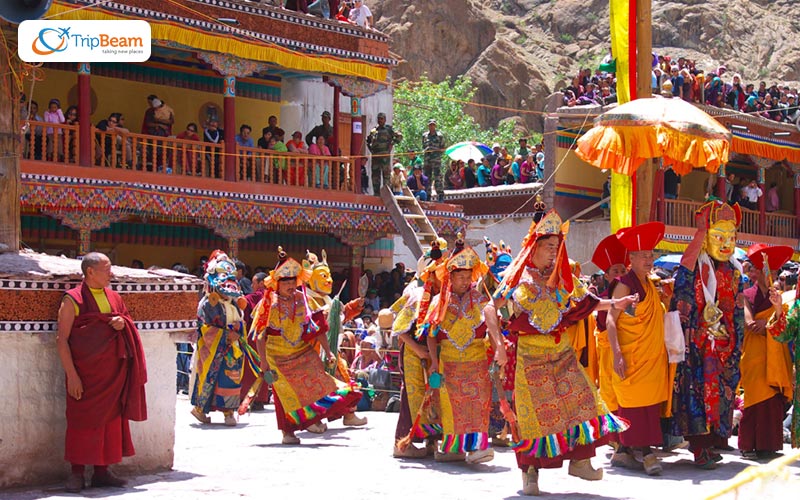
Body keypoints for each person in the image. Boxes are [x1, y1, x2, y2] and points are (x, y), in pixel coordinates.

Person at [485, 210, 635, 496]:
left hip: (562, 353)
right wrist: (499, 346)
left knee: (583, 401)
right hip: (529, 357)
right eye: (548, 246)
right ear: (534, 246)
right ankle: (530, 474)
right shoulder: (517, 277)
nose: (554, 252)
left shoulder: (562, 278)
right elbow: (490, 308)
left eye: (557, 246)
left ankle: (580, 461)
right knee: (532, 418)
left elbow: (587, 304)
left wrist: (618, 302)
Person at [251, 247, 365, 444]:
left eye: (292, 280)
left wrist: (329, 353)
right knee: (285, 394)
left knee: (323, 382)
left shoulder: (304, 299)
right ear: (276, 283)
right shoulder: (269, 302)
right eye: (285, 281)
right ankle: (288, 433)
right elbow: (260, 336)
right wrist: (263, 362)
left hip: (301, 351)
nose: (289, 284)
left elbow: (317, 329)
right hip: (276, 354)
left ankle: (319, 417)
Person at [56, 253, 147, 493]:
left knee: (110, 424)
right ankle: (77, 473)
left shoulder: (115, 297)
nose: (111, 274)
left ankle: (101, 471)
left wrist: (121, 322)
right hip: (85, 374)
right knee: (81, 421)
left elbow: (127, 321)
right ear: (90, 273)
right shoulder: (72, 300)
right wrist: (72, 376)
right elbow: (62, 340)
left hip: (112, 374)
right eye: (106, 269)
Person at [669, 201, 746, 469]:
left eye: (732, 237)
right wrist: (700, 328)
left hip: (725, 343)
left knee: (722, 395)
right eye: (718, 237)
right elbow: (681, 294)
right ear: (704, 239)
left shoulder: (735, 271)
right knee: (698, 395)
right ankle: (700, 449)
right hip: (699, 346)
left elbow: (737, 309)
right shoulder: (694, 267)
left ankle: (712, 444)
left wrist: (736, 339)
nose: (726, 244)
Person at [425, 234, 501, 464]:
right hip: (449, 362)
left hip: (477, 360)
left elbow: (491, 328)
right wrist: (434, 363)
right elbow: (431, 335)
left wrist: (497, 350)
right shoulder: (439, 302)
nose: (465, 280)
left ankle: (477, 448)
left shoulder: (480, 300)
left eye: (469, 276)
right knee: (451, 406)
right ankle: (453, 448)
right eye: (461, 276)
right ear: (450, 276)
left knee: (477, 404)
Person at [606, 222, 671, 476]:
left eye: (650, 254)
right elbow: (611, 318)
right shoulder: (625, 283)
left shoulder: (649, 284)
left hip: (649, 357)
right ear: (631, 258)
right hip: (632, 356)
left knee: (646, 405)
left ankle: (623, 451)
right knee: (634, 403)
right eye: (643, 255)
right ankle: (645, 452)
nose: (648, 259)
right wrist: (617, 353)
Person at [391, 240, 446, 458]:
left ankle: (432, 441)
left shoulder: (444, 296)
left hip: (437, 353)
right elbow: (399, 329)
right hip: (415, 352)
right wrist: (419, 350)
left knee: (437, 397)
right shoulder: (416, 295)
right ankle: (402, 444)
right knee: (411, 398)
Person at [738, 244, 793, 460]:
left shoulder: (778, 297)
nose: (774, 276)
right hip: (754, 354)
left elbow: (784, 324)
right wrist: (762, 322)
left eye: (776, 272)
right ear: (757, 273)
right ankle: (748, 444)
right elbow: (749, 322)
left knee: (772, 400)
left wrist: (773, 313)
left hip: (776, 354)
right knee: (753, 400)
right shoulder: (747, 295)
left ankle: (768, 445)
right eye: (769, 271)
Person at [190, 251, 250, 427]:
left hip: (233, 347)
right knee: (209, 377)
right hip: (213, 348)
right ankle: (200, 409)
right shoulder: (208, 303)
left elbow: (240, 321)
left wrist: (238, 331)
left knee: (230, 378)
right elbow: (203, 327)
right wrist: (225, 335)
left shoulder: (233, 303)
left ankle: (228, 411)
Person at [590, 233, 630, 442]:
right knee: (608, 389)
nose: (620, 274)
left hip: (627, 348)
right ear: (606, 276)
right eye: (615, 271)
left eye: (623, 270)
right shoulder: (603, 299)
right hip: (607, 350)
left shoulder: (631, 294)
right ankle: (612, 436)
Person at [239, 272, 271, 412]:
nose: (252, 286)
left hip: (253, 338)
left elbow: (243, 306)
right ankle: (261, 399)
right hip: (270, 339)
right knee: (264, 367)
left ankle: (247, 398)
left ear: (262, 283)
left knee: (250, 369)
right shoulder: (275, 296)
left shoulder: (257, 296)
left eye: (254, 283)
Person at [366, 112, 403, 195]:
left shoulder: (388, 129)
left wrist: (392, 144)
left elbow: (399, 136)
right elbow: (367, 141)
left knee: (386, 176)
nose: (380, 120)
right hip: (375, 157)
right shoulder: (374, 131)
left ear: (385, 120)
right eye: (379, 119)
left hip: (385, 157)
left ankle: (387, 194)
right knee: (375, 176)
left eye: (382, 119)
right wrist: (371, 150)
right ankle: (376, 194)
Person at [422, 119, 445, 201]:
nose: (432, 126)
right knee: (427, 178)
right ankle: (428, 195)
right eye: (430, 125)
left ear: (435, 126)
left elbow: (442, 148)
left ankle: (440, 195)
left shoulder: (439, 136)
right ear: (428, 126)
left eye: (433, 125)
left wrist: (435, 150)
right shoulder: (425, 136)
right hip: (427, 160)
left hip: (436, 160)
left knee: (438, 178)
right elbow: (423, 147)